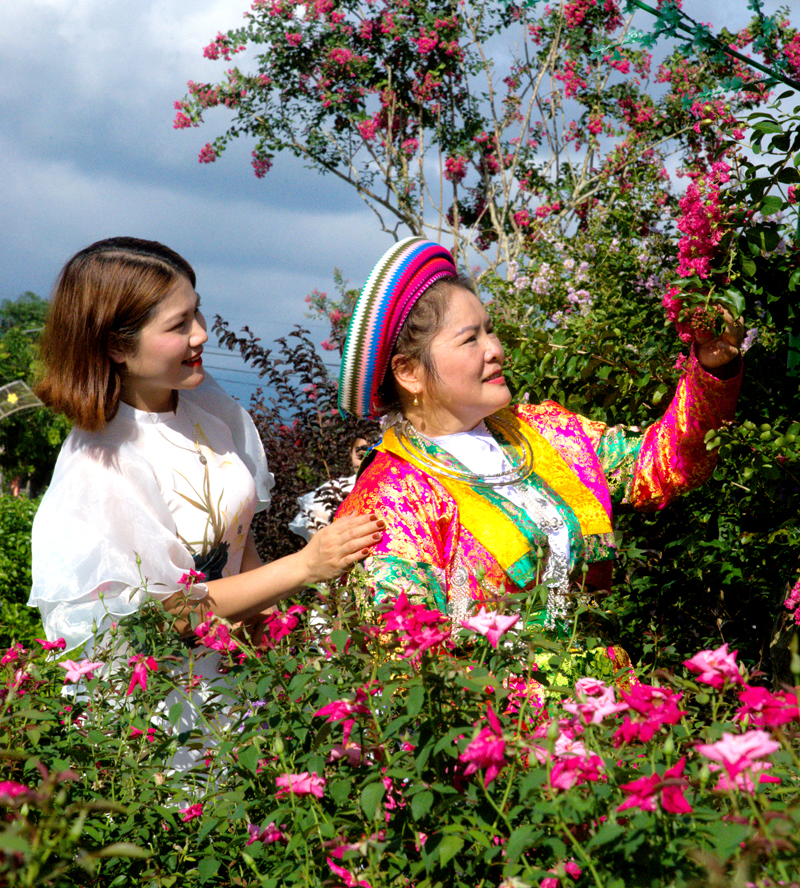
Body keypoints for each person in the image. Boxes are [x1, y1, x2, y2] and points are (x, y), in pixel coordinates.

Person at [335, 238, 742, 658]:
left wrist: (713, 369)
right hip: (502, 716)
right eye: (470, 340)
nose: (495, 350)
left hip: (605, 704)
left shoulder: (545, 431)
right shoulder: (388, 497)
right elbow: (403, 652)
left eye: (489, 330)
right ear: (409, 372)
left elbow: (663, 463)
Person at [28, 237, 383, 664]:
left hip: (238, 681)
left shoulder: (208, 406)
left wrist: (270, 625)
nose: (201, 333)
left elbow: (237, 530)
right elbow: (162, 614)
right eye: (178, 325)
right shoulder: (101, 462)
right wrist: (304, 566)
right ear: (116, 346)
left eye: (195, 310)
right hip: (165, 710)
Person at [289, 433, 376, 543]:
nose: (368, 463)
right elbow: (317, 542)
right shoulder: (331, 491)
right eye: (361, 456)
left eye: (377, 458)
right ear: (351, 453)